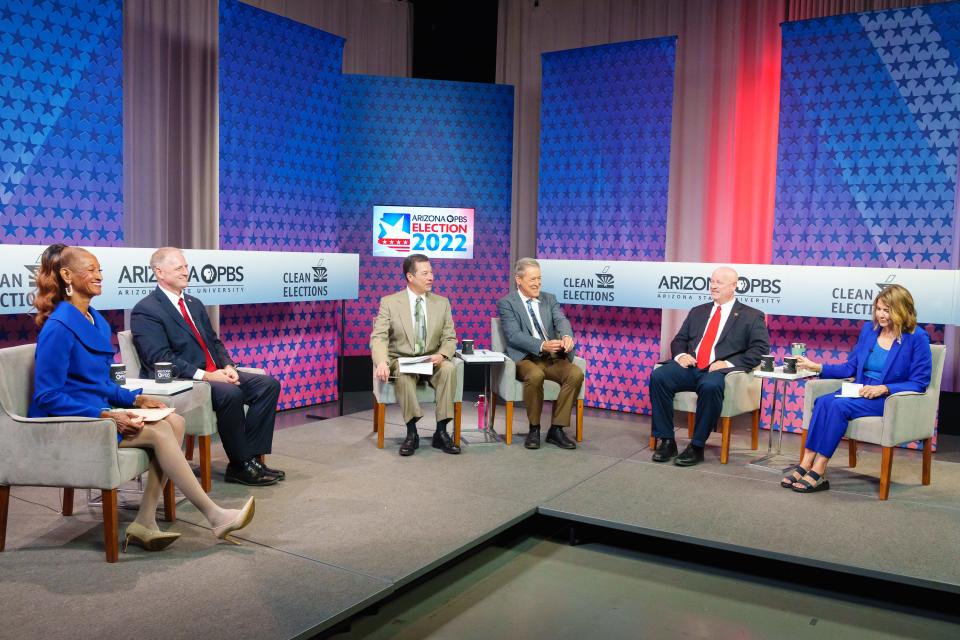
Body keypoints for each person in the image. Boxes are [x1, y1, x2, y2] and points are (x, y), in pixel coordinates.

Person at [29, 244, 254, 551]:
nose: (98, 276)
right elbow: (47, 397)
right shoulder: (58, 327)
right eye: (90, 270)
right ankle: (215, 516)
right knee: (163, 432)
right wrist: (107, 415)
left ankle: (145, 521)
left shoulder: (95, 320)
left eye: (99, 270)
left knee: (173, 420)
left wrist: (135, 399)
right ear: (67, 275)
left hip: (97, 412)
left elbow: (98, 383)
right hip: (72, 424)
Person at [130, 247, 282, 486]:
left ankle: (249, 460)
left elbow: (214, 341)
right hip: (185, 379)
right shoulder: (146, 310)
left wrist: (229, 366)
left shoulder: (194, 303)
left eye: (186, 267)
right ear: (160, 272)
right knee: (231, 393)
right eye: (179, 268)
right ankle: (242, 464)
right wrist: (208, 376)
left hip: (214, 372)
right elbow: (159, 358)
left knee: (268, 385)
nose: (185, 272)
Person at [785, 285, 932, 493]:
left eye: (887, 310)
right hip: (861, 390)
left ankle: (820, 469)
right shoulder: (869, 331)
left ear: (902, 310)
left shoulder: (917, 337)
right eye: (878, 309)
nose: (880, 315)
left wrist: (884, 388)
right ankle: (806, 462)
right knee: (824, 401)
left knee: (838, 406)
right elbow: (850, 367)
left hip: (888, 398)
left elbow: (919, 382)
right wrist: (816, 366)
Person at [650, 266, 769, 466]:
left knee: (711, 386)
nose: (713, 286)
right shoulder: (698, 311)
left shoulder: (751, 315)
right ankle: (667, 440)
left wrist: (728, 363)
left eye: (719, 282)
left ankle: (697, 446)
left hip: (719, 371)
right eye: (712, 281)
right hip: (692, 366)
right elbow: (679, 340)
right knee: (659, 376)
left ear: (734, 286)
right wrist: (681, 355)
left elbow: (759, 350)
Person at [370, 253, 460, 457]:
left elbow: (450, 338)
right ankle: (412, 433)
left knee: (449, 369)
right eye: (425, 273)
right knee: (403, 371)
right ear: (410, 277)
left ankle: (441, 432)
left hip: (431, 360)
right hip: (402, 359)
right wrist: (382, 362)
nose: (431, 277)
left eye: (432, 272)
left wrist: (442, 355)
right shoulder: (390, 302)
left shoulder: (442, 303)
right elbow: (379, 337)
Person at [496, 257, 584, 450]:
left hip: (552, 357)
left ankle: (557, 429)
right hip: (525, 357)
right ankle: (534, 428)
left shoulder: (549, 299)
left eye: (539, 279)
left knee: (576, 374)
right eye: (532, 279)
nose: (537, 283)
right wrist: (542, 345)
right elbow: (514, 335)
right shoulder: (507, 303)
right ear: (518, 280)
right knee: (536, 375)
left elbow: (561, 320)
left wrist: (567, 336)